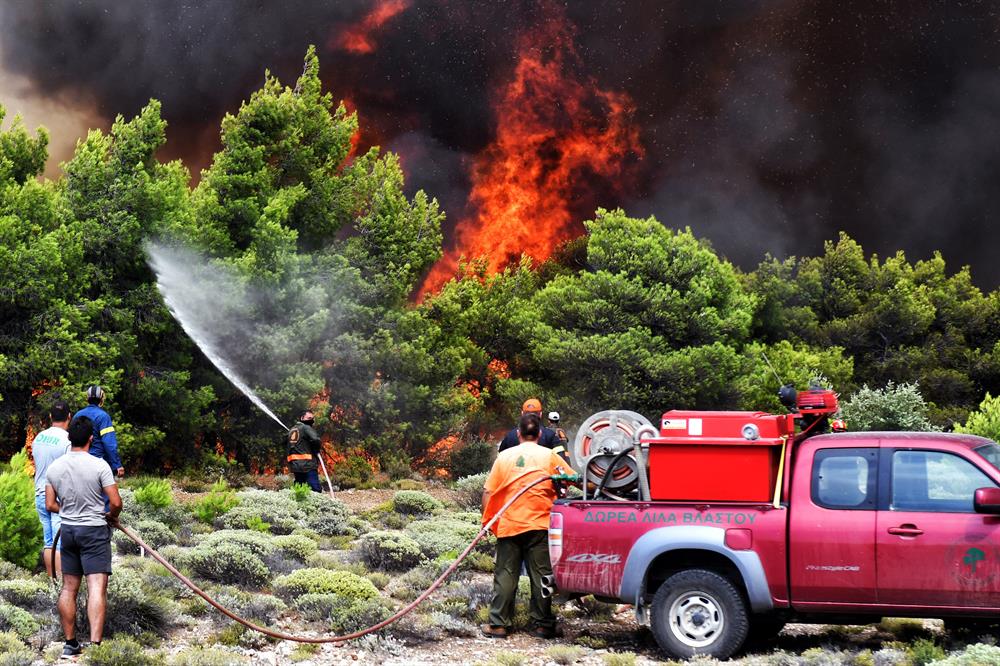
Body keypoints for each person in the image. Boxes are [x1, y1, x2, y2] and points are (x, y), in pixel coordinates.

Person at [481, 412, 575, 639]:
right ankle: (542, 625)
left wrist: (487, 521)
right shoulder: (550, 456)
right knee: (542, 575)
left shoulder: (504, 457)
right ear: (540, 433)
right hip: (540, 524)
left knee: (505, 574)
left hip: (509, 524)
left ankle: (498, 625)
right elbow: (569, 480)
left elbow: (488, 491)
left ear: (519, 434)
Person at [45, 415, 123, 656]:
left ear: (70, 438)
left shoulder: (54, 468)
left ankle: (70, 644)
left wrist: (69, 510)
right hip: (94, 532)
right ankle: (95, 645)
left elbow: (50, 504)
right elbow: (116, 502)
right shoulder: (99, 466)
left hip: (68, 532)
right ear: (91, 438)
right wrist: (109, 515)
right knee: (96, 587)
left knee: (69, 588)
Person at [32, 400, 72, 577]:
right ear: (69, 417)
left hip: (40, 493)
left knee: (49, 542)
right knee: (60, 542)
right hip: (57, 497)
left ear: (50, 417)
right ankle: (61, 585)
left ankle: (51, 581)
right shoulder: (67, 440)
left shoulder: (39, 437)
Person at [498, 398, 570, 465]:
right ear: (540, 414)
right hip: (544, 477)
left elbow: (500, 460)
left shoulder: (510, 436)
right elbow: (561, 462)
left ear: (522, 413)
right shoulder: (551, 436)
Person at [75, 386, 124, 479]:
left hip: (78, 462)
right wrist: (117, 464)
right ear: (101, 398)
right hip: (98, 462)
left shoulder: (77, 415)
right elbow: (109, 443)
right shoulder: (103, 416)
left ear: (87, 398)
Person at [287, 409, 322, 492]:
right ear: (302, 418)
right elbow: (316, 440)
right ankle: (316, 504)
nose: (312, 420)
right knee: (314, 489)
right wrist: (316, 449)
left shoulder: (292, 430)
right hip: (308, 465)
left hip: (296, 466)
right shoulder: (306, 427)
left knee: (299, 489)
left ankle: (299, 504)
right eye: (309, 418)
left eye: (313, 418)